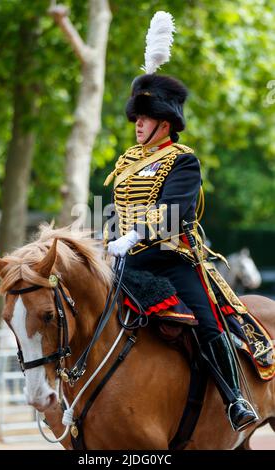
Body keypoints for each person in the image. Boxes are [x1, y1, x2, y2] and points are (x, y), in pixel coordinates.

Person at [103, 67, 258, 431]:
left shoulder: (183, 160)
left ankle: (234, 398)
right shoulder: (126, 160)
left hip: (171, 258)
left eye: (147, 117)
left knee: (208, 322)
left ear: (166, 123)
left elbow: (173, 210)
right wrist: (110, 237)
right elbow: (120, 209)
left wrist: (137, 232)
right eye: (137, 117)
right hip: (129, 262)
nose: (138, 124)